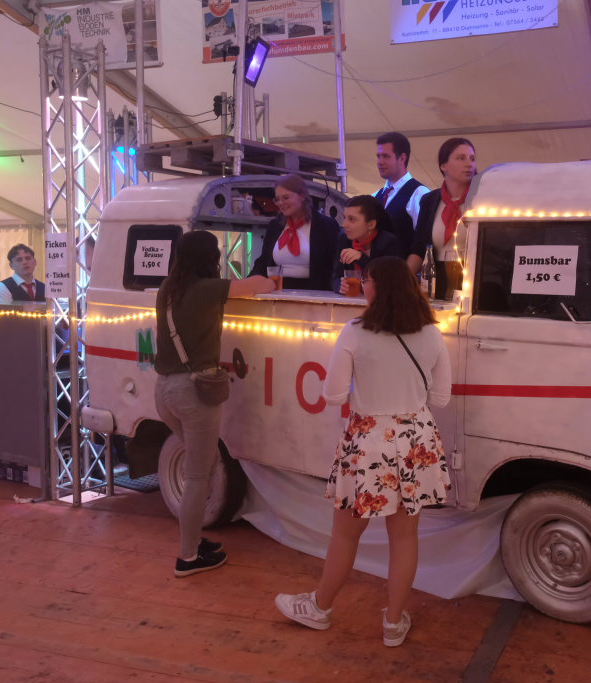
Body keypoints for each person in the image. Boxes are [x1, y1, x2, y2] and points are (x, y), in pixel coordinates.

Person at [274, 256, 452, 648]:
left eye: (366, 279)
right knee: (404, 538)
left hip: (369, 440)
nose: (362, 285)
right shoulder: (431, 332)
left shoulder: (355, 332)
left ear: (378, 287)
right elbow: (440, 398)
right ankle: (393, 623)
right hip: (416, 440)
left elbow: (334, 394)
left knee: (345, 534)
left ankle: (320, 608)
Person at [154, 230, 275, 577]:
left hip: (164, 390)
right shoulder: (209, 289)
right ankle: (187, 557)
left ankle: (193, 539)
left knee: (203, 468)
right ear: (211, 257)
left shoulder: (167, 288)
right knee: (197, 475)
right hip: (194, 392)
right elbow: (263, 285)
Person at [408, 137, 477, 300]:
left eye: (472, 158)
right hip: (436, 285)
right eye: (461, 158)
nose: (469, 164)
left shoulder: (481, 199)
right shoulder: (430, 200)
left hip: (473, 286)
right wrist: (400, 280)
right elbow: (419, 248)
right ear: (443, 165)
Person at [249, 174, 340, 291]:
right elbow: (263, 262)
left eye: (286, 198)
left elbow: (334, 266)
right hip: (277, 290)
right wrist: (247, 283)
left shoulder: (326, 225)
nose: (280, 203)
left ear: (302, 196)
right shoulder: (275, 226)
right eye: (277, 199)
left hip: (315, 292)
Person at [332, 195, 405, 294]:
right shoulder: (344, 239)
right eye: (345, 218)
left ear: (371, 224)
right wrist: (340, 286)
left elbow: (388, 281)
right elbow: (336, 276)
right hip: (353, 298)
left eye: (351, 219)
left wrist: (361, 258)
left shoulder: (389, 242)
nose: (344, 224)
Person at [374, 132, 430, 256]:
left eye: (385, 156)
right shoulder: (375, 196)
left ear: (402, 158)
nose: (380, 162)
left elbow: (424, 243)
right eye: (378, 156)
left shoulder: (420, 194)